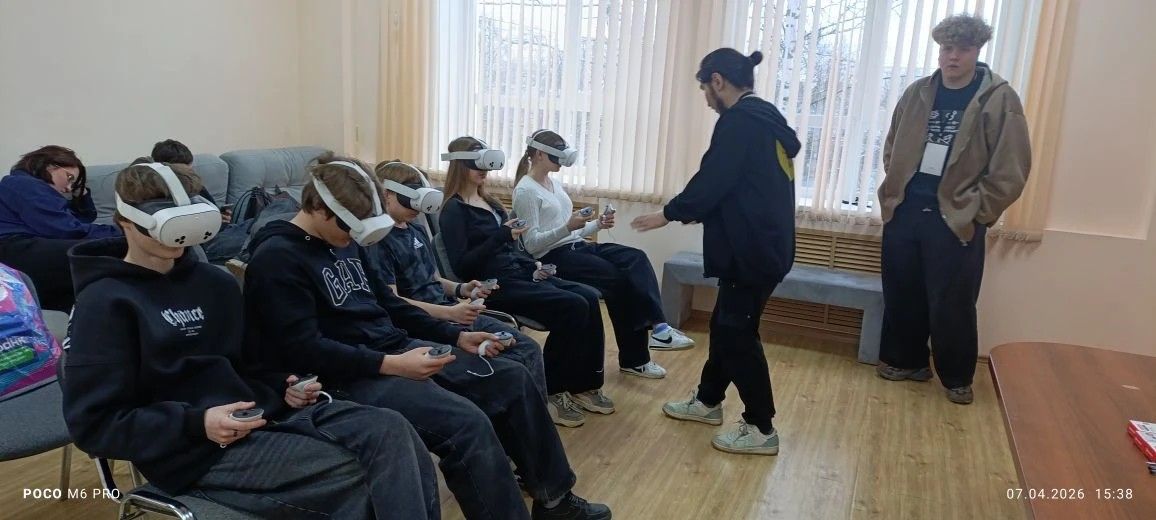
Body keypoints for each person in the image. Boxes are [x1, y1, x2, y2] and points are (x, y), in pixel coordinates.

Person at [62, 161, 439, 519]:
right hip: (194, 450)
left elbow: (251, 362)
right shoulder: (105, 303)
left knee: (394, 430)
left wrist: (283, 386)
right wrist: (197, 423)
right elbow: (95, 425)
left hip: (261, 417)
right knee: (359, 474)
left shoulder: (215, 283)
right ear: (125, 221)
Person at [243, 153, 611, 520]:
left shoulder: (343, 240)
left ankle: (556, 501)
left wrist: (454, 336)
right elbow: (304, 349)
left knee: (512, 379)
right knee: (465, 425)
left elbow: (389, 304)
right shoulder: (276, 259)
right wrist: (392, 365)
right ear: (318, 208)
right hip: (348, 375)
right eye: (348, 227)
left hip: (394, 349)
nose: (353, 237)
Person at [633, 48, 799, 456]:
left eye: (705, 88)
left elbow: (714, 180)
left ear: (718, 81)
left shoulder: (740, 122)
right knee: (727, 326)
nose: (707, 99)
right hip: (763, 245)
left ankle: (760, 426)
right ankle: (708, 400)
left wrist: (669, 213)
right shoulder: (765, 117)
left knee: (737, 333)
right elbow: (737, 184)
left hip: (752, 251)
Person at [874, 14, 1030, 405]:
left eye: (962, 49)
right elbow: (892, 145)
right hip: (907, 210)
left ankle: (957, 377)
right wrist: (896, 192)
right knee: (902, 292)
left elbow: (1011, 167)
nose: (953, 56)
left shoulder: (999, 99)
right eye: (947, 48)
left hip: (956, 216)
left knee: (953, 303)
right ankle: (906, 362)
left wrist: (979, 212)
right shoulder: (917, 93)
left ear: (978, 51)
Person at [438, 136, 611, 428]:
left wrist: (534, 265)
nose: (484, 172)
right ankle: (552, 391)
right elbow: (463, 266)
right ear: (459, 166)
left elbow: (512, 248)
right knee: (572, 306)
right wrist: (501, 236)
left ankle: (584, 385)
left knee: (588, 297)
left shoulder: (492, 203)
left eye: (486, 166)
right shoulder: (454, 209)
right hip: (494, 286)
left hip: (519, 273)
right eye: (476, 166)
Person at [512, 129, 696, 380]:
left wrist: (597, 224)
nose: (562, 163)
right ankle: (636, 359)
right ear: (540, 154)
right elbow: (532, 245)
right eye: (557, 157)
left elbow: (571, 230)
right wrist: (568, 227)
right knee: (619, 281)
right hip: (553, 257)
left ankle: (660, 328)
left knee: (636, 258)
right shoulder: (525, 191)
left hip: (576, 245)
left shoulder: (553, 184)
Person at [365, 159, 547, 397]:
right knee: (510, 367)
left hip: (451, 311)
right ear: (386, 194)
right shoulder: (377, 241)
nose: (418, 207)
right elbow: (394, 301)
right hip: (425, 323)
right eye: (410, 198)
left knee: (527, 348)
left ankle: (534, 411)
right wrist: (449, 314)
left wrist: (462, 289)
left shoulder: (416, 230)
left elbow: (433, 279)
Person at [0, 145, 120, 311]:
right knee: (104, 249)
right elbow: (68, 230)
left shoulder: (35, 190)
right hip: (14, 248)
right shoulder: (23, 184)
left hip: (24, 249)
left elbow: (79, 220)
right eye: (69, 178)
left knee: (76, 291)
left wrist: (81, 193)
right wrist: (122, 233)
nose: (68, 188)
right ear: (49, 166)